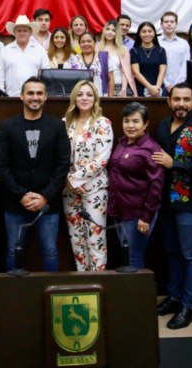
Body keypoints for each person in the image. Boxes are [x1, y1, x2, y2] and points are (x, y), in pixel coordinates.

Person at [154, 83, 192, 330]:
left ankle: (188, 306)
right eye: (176, 99)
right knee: (172, 252)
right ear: (169, 101)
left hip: (190, 204)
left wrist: (175, 164)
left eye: (186, 99)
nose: (181, 103)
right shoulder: (161, 126)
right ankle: (175, 297)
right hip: (165, 203)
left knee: (190, 255)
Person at [0, 77, 70, 272]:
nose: (34, 97)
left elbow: (63, 165)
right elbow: (1, 166)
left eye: (39, 93)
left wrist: (44, 196)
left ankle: (49, 295)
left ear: (45, 97)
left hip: (47, 204)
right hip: (15, 202)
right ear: (21, 96)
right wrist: (21, 195)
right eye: (30, 93)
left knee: (50, 250)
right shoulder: (7, 126)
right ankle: (14, 298)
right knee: (13, 250)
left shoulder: (57, 126)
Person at [63, 81, 113, 271]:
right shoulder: (65, 122)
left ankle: (97, 282)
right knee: (76, 239)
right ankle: (82, 279)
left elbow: (101, 159)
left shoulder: (102, 123)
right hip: (68, 191)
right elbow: (59, 156)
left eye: (89, 95)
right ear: (74, 97)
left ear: (95, 99)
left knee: (95, 238)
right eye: (81, 94)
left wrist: (74, 180)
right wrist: (67, 182)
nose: (84, 98)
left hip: (94, 190)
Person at [107, 102, 164, 269]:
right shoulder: (122, 142)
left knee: (133, 258)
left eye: (135, 121)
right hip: (118, 209)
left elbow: (156, 185)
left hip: (138, 215)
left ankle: (138, 296)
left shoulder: (151, 149)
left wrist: (146, 217)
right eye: (126, 121)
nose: (130, 125)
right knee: (126, 256)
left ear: (145, 124)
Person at [0, 15, 50, 97]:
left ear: (30, 32)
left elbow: (46, 76)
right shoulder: (5, 50)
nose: (22, 33)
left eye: (25, 30)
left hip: (34, 98)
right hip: (10, 97)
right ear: (14, 32)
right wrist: (2, 96)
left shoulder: (40, 50)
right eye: (19, 30)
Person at [97, 20, 137, 97]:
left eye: (113, 30)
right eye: (108, 29)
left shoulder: (123, 49)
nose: (110, 32)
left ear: (117, 33)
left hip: (119, 86)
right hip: (101, 86)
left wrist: (124, 89)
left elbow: (125, 71)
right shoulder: (97, 47)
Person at [130, 22, 166, 97]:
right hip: (141, 89)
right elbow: (136, 73)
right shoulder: (134, 51)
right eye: (144, 31)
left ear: (154, 33)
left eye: (150, 31)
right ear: (139, 34)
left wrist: (157, 88)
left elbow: (162, 71)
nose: (147, 34)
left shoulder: (161, 50)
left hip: (159, 90)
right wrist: (150, 87)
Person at [158, 12, 190, 92]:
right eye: (166, 22)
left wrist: (177, 85)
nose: (169, 24)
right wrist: (166, 84)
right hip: (159, 85)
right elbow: (154, 65)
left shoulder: (184, 43)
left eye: (172, 22)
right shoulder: (156, 42)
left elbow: (185, 66)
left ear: (176, 24)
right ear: (161, 24)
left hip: (180, 85)